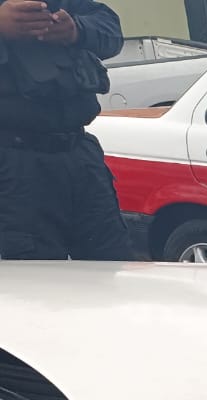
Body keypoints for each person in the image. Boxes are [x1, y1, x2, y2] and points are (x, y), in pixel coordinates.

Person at [0, 0, 130, 260]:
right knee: (34, 286)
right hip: (14, 167)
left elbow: (110, 29)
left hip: (80, 157)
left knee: (111, 267)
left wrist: (76, 29)